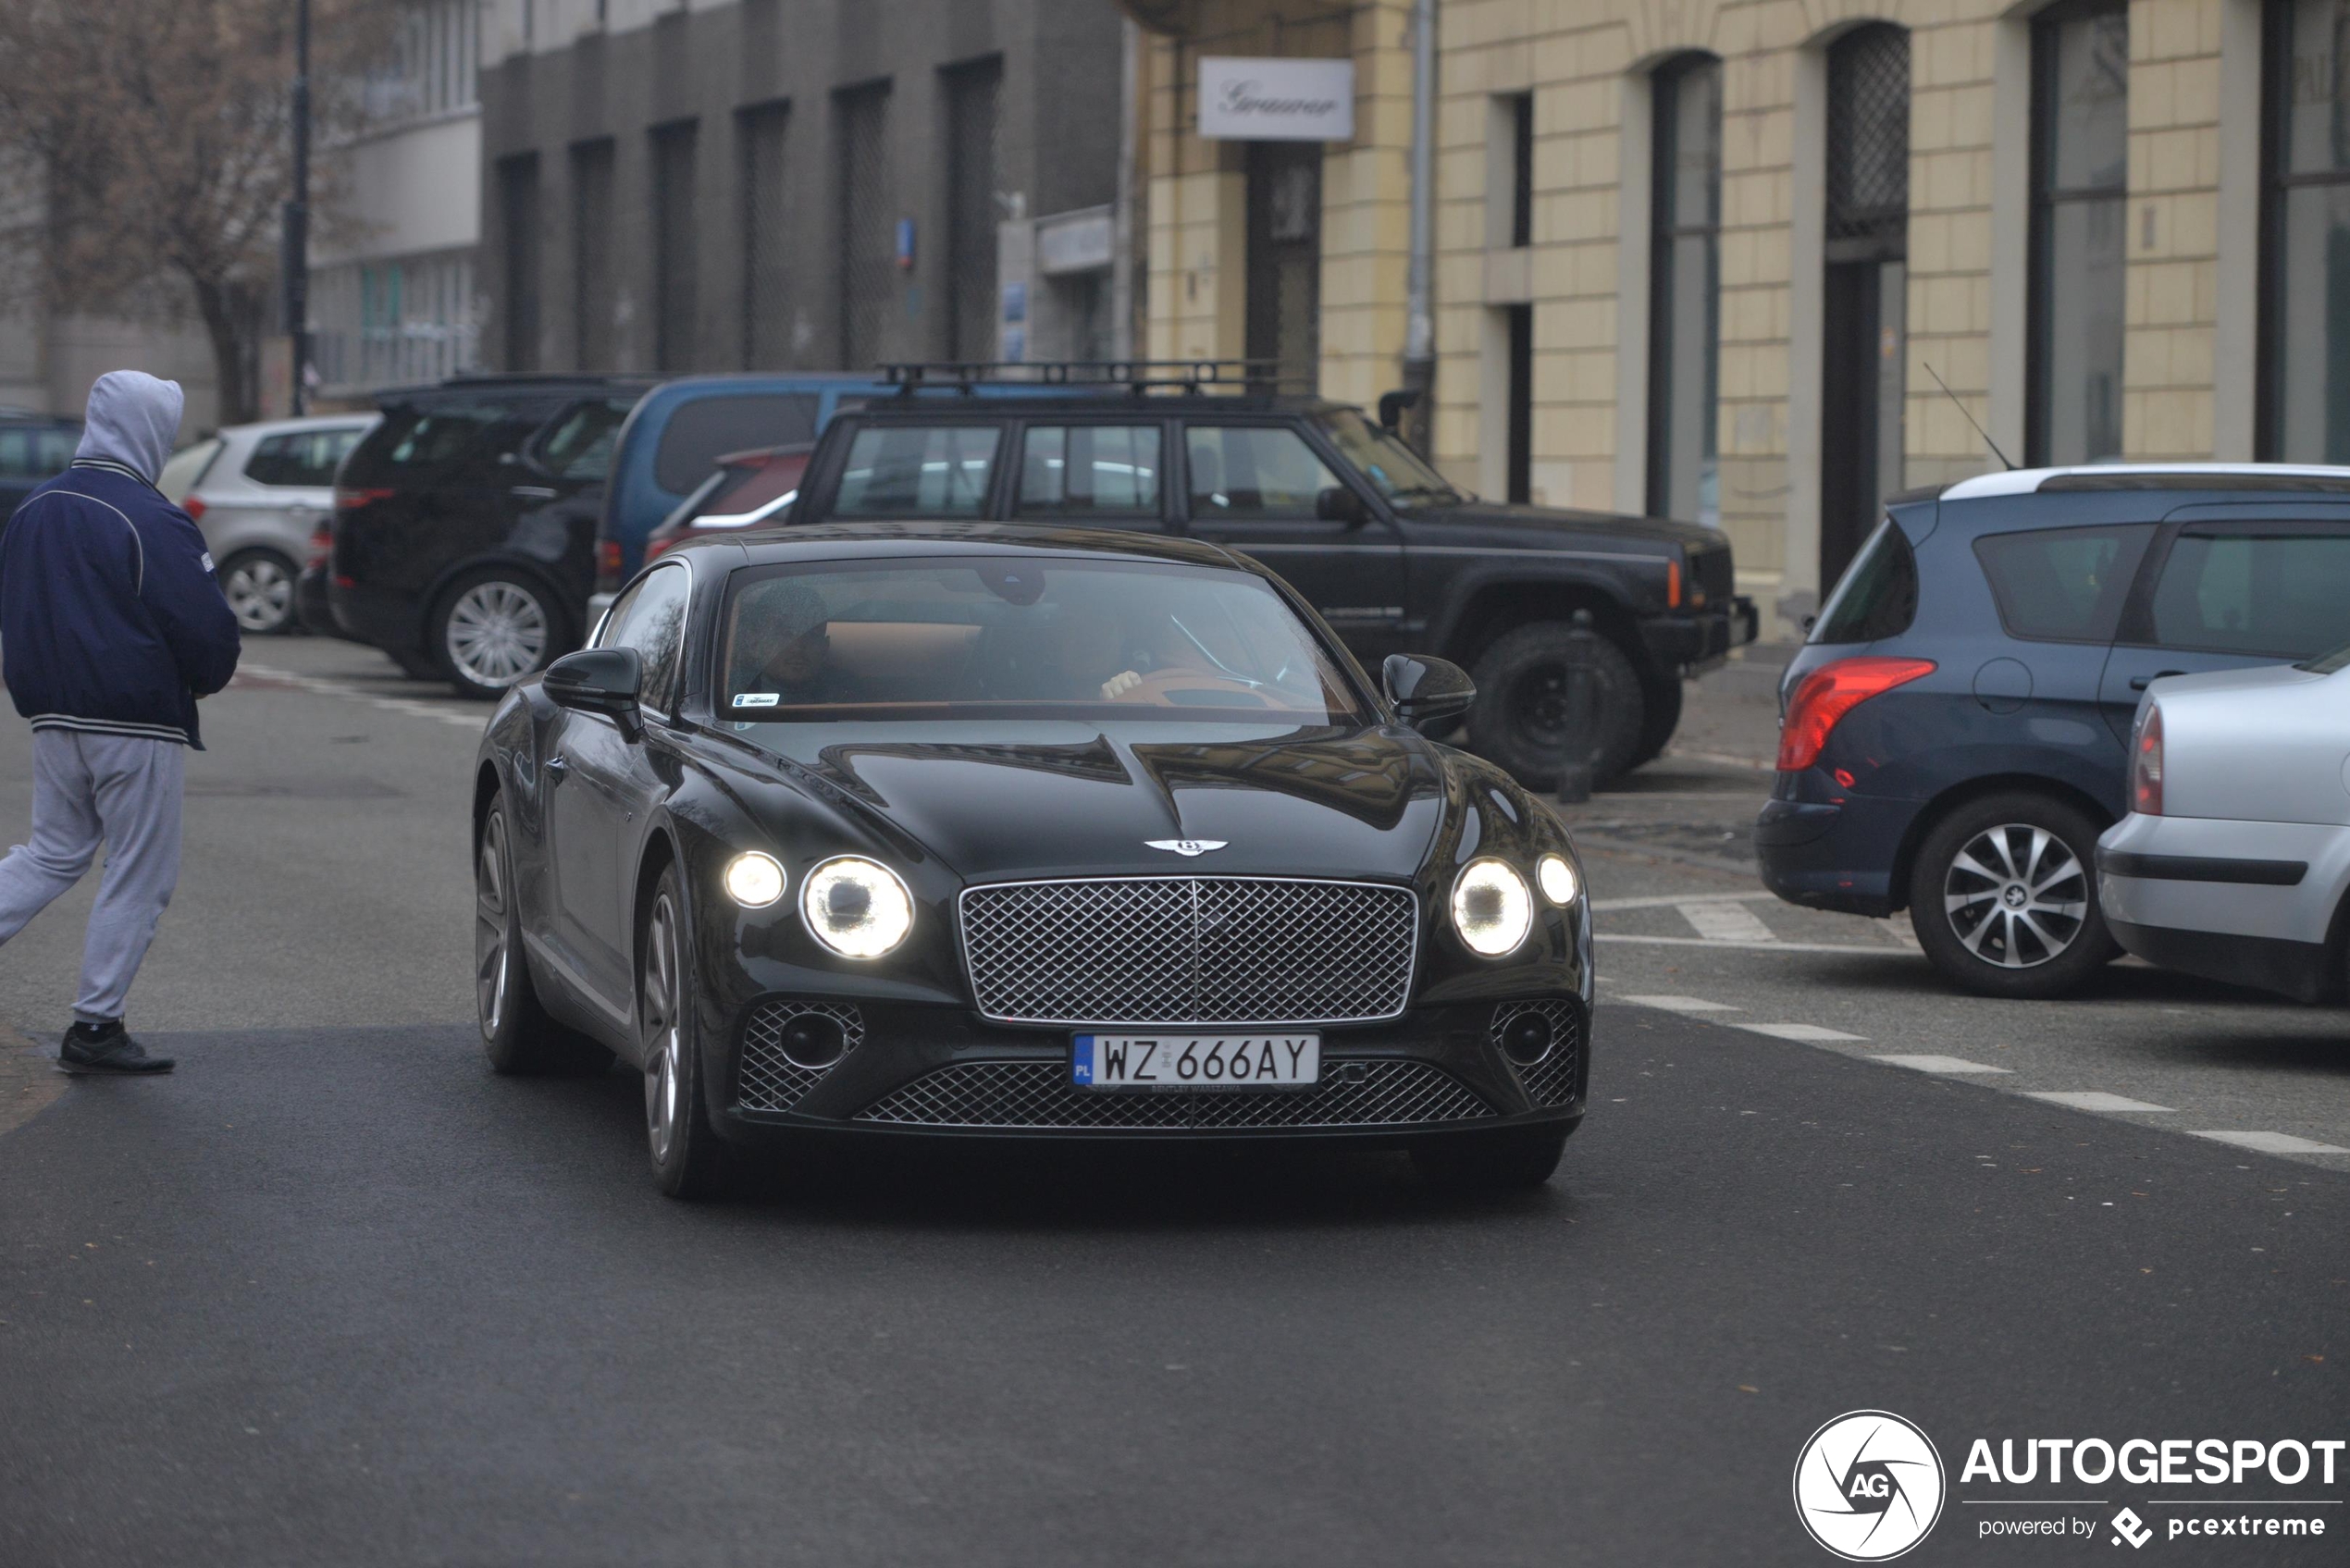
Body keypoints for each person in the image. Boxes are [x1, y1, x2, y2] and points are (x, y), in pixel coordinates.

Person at [0, 371, 241, 1074]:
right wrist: (203, 681)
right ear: (151, 431)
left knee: (53, 851)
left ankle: (97, 1023)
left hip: (52, 714)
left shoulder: (34, 507)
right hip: (136, 719)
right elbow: (205, 629)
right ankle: (95, 1027)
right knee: (137, 872)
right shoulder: (152, 515)